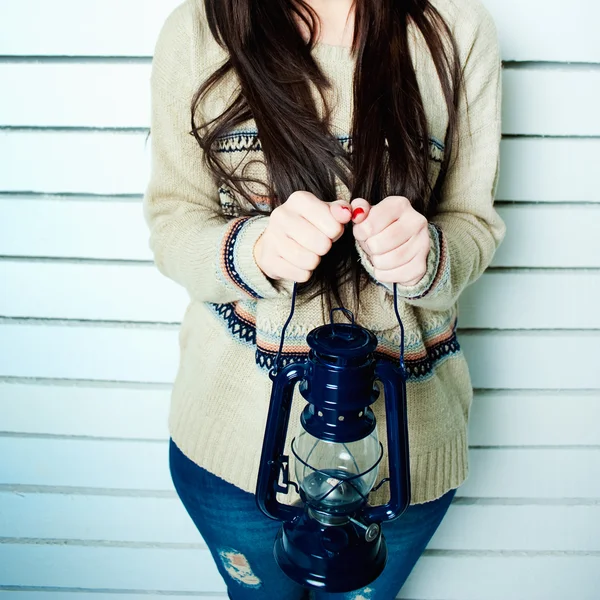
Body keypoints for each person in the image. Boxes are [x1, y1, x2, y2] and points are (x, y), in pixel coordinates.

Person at [144, 0, 505, 597]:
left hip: (404, 461)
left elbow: (473, 222)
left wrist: (427, 254)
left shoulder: (457, 31)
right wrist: (255, 252)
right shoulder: (198, 31)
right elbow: (172, 223)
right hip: (233, 451)